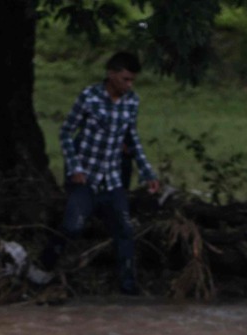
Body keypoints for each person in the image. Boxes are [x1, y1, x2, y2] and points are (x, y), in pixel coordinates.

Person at [35, 51, 161, 296]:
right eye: (125, 79)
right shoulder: (89, 97)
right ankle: (43, 267)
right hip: (85, 178)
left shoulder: (132, 101)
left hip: (112, 179)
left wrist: (147, 172)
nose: (129, 85)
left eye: (132, 80)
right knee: (73, 226)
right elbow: (66, 132)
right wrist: (75, 167)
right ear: (111, 74)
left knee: (124, 230)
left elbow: (131, 138)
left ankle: (128, 287)